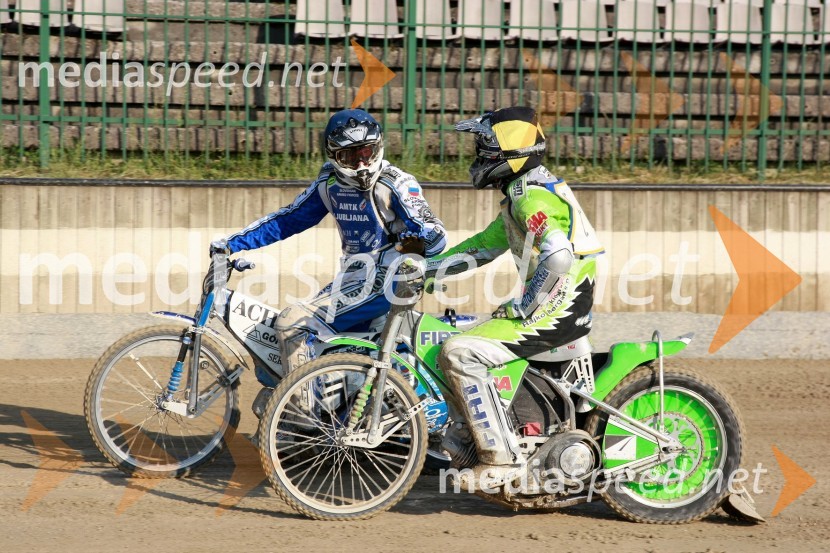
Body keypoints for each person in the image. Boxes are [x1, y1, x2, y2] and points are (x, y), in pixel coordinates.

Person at [211, 109, 447, 413]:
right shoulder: (329, 183)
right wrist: (232, 243)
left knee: (293, 322)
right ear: (334, 155)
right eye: (350, 156)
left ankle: (303, 416)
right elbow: (290, 219)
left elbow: (437, 235)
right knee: (317, 349)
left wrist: (416, 242)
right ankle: (335, 417)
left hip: (390, 282)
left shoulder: (395, 183)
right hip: (354, 279)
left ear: (378, 147)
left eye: (366, 152)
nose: (361, 164)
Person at [425, 106, 604, 490]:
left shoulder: (529, 198)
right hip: (559, 301)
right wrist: (428, 270)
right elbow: (483, 247)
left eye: (485, 149)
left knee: (460, 351)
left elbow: (558, 256)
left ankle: (501, 460)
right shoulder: (522, 194)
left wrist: (525, 306)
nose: (479, 157)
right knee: (459, 341)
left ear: (510, 155)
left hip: (558, 308)